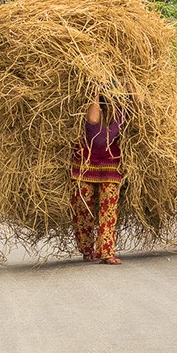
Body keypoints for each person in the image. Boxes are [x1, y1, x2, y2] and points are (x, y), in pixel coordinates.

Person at [70, 88, 125, 264]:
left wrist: (128, 79)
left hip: (110, 163)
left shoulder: (122, 108)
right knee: (83, 208)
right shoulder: (91, 108)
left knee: (108, 210)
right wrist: (94, 90)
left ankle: (106, 252)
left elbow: (138, 99)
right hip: (85, 164)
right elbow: (93, 120)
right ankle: (87, 250)